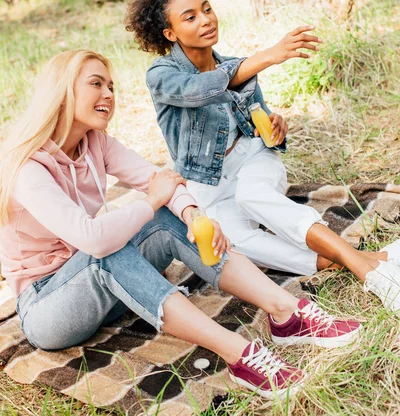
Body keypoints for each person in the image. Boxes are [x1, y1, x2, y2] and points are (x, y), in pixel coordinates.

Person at [0, 50, 363, 401]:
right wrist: (152, 200)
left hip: (104, 290)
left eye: (111, 86)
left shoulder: (96, 143)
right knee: (112, 243)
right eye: (96, 84)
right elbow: (93, 240)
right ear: (62, 91)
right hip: (49, 309)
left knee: (165, 215)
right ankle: (240, 355)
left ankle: (287, 313)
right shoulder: (28, 168)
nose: (108, 95)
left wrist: (194, 215)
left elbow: (160, 179)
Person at [126, 0, 400, 314]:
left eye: (207, 8)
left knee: (251, 196)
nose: (206, 20)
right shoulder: (162, 75)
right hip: (205, 181)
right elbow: (199, 89)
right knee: (231, 244)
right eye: (191, 17)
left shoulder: (238, 66)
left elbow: (263, 125)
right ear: (170, 33)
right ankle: (376, 259)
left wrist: (275, 129)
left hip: (253, 158)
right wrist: (269, 55)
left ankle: (367, 272)